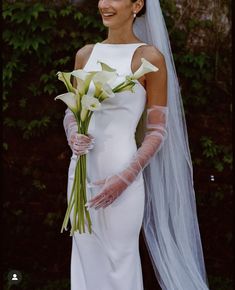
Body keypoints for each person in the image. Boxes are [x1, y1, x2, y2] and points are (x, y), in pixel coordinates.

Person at [63, 0, 210, 289]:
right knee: (85, 258)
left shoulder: (149, 57)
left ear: (137, 5)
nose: (104, 4)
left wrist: (124, 178)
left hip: (124, 176)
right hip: (81, 171)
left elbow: (157, 130)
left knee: (121, 261)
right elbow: (72, 110)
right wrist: (72, 133)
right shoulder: (85, 54)